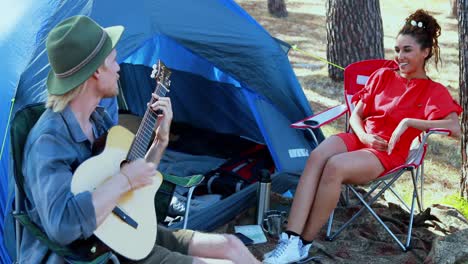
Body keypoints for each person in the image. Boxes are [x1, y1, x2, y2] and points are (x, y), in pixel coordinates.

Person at [20, 15, 260, 264]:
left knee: (231, 246)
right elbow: (63, 225)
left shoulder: (99, 119)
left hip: (124, 228)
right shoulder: (48, 142)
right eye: (113, 61)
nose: (119, 68)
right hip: (93, 253)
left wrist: (159, 141)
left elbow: (132, 181)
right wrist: (124, 179)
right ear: (95, 72)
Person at [263, 9, 462, 264]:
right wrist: (364, 136)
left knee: (334, 167)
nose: (399, 56)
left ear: (425, 52)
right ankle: (290, 239)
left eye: (407, 50)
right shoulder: (383, 75)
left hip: (387, 152)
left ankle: (304, 243)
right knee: (317, 156)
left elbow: (454, 128)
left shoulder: (432, 91)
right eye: (397, 49)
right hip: (361, 138)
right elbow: (356, 114)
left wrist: (407, 123)